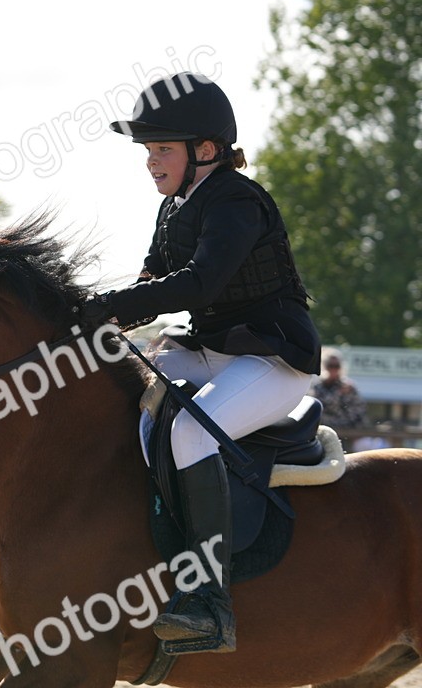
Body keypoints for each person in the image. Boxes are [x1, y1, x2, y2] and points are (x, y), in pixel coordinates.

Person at [78, 72, 321, 654]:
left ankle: (210, 601)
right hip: (211, 353)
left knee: (191, 431)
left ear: (205, 150)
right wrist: (81, 320)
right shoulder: (175, 207)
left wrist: (107, 308)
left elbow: (198, 283)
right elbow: (147, 285)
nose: (150, 162)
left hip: (274, 360)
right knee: (133, 400)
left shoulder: (237, 199)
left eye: (161, 148)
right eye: (147, 150)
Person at [308, 350, 367, 430]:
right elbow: (316, 407)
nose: (334, 369)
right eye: (330, 366)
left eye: (336, 366)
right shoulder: (317, 386)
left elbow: (358, 410)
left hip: (347, 429)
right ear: (325, 366)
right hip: (322, 428)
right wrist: (337, 394)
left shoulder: (349, 386)